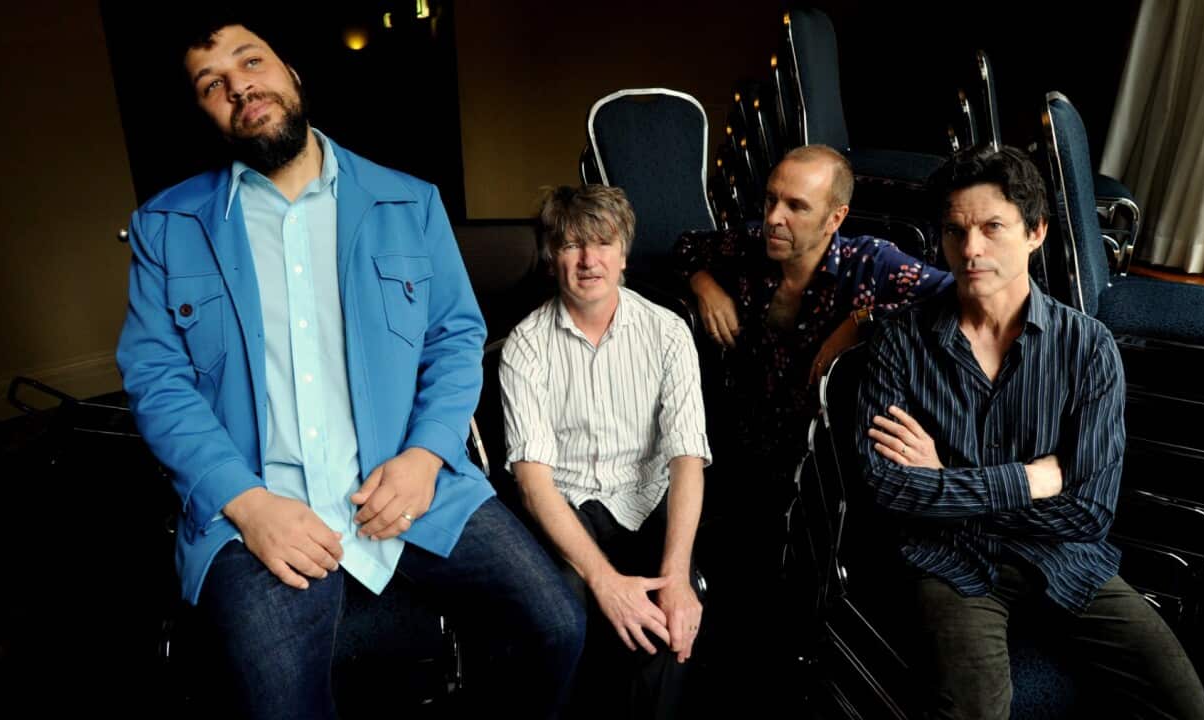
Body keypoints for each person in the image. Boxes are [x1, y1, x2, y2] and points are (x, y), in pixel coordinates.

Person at [116, 15, 583, 719]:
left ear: (292, 75)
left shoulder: (410, 202)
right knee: (276, 702)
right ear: (206, 112)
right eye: (213, 84)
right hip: (259, 509)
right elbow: (157, 381)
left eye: (252, 63)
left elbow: (456, 338)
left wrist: (426, 456)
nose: (240, 87)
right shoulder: (166, 227)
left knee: (556, 625)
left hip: (415, 487)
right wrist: (246, 504)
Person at [858, 145, 1204, 719]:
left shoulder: (1087, 346)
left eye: (992, 227)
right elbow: (889, 490)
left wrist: (946, 483)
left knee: (1189, 709)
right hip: (952, 565)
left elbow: (1090, 510)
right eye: (954, 231)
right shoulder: (901, 341)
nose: (970, 249)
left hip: (1067, 561)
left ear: (1036, 231)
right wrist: (1028, 479)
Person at [500, 185, 711, 718]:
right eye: (572, 246)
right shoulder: (525, 345)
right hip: (566, 508)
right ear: (553, 259)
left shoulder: (668, 333)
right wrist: (604, 581)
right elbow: (533, 483)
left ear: (624, 254)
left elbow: (687, 458)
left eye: (602, 243)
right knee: (559, 619)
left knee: (670, 622)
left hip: (646, 501)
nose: (588, 260)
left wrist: (678, 577)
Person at [675, 145, 951, 493]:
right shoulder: (749, 244)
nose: (774, 217)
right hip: (739, 448)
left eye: (796, 206)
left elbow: (956, 294)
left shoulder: (871, 263)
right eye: (771, 200)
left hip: (831, 468)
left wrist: (861, 320)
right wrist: (704, 286)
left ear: (835, 218)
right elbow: (684, 247)